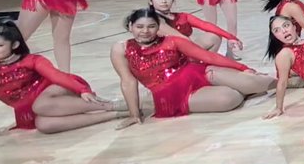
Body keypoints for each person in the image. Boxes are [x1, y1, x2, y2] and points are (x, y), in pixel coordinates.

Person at [111, 8, 275, 124]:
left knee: (249, 80)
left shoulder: (172, 41)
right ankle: (245, 90)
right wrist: (134, 114)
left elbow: (208, 56)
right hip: (169, 94)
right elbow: (128, 82)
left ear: (158, 27)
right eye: (139, 27)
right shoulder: (121, 48)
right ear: (130, 26)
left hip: (195, 74)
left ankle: (283, 82)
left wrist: (242, 67)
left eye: (151, 26)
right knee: (228, 98)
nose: (145, 31)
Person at [0, 21, 122, 135]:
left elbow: (57, 76)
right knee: (44, 125)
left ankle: (113, 105)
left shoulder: (31, 60)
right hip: (34, 107)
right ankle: (115, 114)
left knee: (40, 105)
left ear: (15, 45)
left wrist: (83, 89)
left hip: (58, 90)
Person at [148, 0, 241, 52]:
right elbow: (182, 39)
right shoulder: (153, 19)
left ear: (173, 0)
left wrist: (231, 37)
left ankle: (204, 65)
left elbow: (205, 25)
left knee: (214, 36)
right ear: (151, 2)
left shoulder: (182, 16)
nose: (163, 1)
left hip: (187, 50)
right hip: (167, 56)